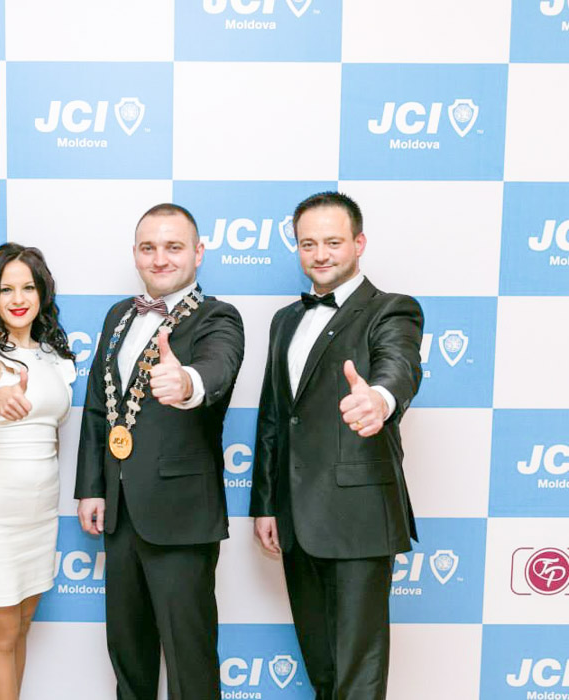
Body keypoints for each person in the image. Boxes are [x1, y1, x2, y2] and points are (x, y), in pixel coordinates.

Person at [249, 192, 424, 700]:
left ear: (359, 243)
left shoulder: (391, 309)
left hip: (359, 515)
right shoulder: (285, 320)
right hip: (295, 518)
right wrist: (265, 504)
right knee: (322, 668)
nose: (320, 254)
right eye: (308, 244)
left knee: (358, 672)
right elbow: (274, 417)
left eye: (333, 242)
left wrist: (380, 400)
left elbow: (399, 366)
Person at [75, 203, 245, 700]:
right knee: (128, 656)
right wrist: (92, 488)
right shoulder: (118, 315)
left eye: (173, 247)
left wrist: (187, 382)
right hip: (120, 513)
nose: (160, 259)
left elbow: (218, 367)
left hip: (181, 517)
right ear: (135, 253)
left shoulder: (218, 316)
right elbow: (97, 407)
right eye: (149, 248)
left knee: (190, 662)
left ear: (198, 252)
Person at [0, 243, 76, 700]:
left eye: (28, 287)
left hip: (40, 513)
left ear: (42, 293)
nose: (18, 299)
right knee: (3, 631)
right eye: (6, 289)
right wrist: (0, 397)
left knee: (22, 625)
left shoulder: (53, 356)